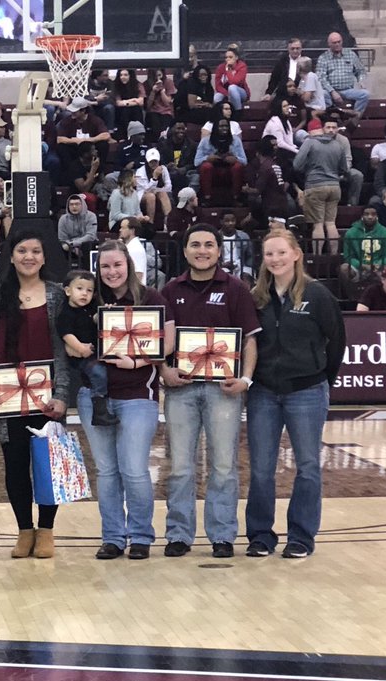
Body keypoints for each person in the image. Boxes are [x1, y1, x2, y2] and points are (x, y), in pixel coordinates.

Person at [158, 224, 260, 559]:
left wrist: (244, 379)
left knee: (224, 466)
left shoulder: (236, 289)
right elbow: (162, 344)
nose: (202, 250)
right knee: (180, 467)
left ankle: (222, 535)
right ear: (185, 251)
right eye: (195, 245)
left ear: (219, 251)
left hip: (223, 389)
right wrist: (164, 372)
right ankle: (179, 534)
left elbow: (249, 339)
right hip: (181, 390)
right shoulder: (171, 290)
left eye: (209, 245)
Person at [246, 228, 345, 559]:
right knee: (261, 467)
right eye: (269, 254)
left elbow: (337, 343)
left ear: (296, 254)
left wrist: (318, 378)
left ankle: (301, 536)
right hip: (262, 392)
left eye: (281, 252)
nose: (275, 259)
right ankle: (260, 534)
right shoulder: (256, 296)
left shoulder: (317, 295)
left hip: (306, 391)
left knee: (307, 465)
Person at [0, 231, 72, 559]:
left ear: (44, 258)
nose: (29, 256)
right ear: (11, 256)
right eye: (21, 250)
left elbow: (62, 349)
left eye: (35, 251)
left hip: (46, 398)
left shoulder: (58, 296)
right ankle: (24, 530)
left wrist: (61, 394)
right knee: (15, 466)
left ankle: (46, 530)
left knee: (47, 466)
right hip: (7, 396)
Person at [81, 239, 172, 560]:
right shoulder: (89, 299)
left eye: (117, 265)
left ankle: (141, 536)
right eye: (105, 266)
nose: (111, 272)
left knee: (133, 469)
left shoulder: (151, 298)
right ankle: (113, 537)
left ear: (129, 266)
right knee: (106, 471)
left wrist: (138, 362)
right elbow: (69, 337)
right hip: (94, 397)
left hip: (138, 394)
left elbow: (168, 341)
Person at [57, 269, 116, 426]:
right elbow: (66, 334)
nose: (84, 294)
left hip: (95, 352)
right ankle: (99, 409)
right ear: (68, 291)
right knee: (98, 373)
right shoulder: (66, 313)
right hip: (82, 356)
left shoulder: (90, 309)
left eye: (89, 290)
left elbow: (96, 319)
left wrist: (105, 312)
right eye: (80, 289)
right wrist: (80, 348)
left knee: (106, 372)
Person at [294, 115, 349, 252]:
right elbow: (344, 169)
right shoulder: (338, 145)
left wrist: (308, 168)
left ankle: (318, 258)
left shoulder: (310, 142)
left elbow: (296, 164)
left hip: (315, 185)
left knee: (318, 224)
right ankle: (334, 256)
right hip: (334, 186)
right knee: (331, 223)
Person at [339, 205, 386, 299]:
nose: (370, 216)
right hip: (359, 267)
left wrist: (378, 264)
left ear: (377, 216)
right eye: (366, 214)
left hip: (379, 267)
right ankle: (352, 298)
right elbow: (348, 256)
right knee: (344, 268)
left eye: (373, 214)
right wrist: (362, 265)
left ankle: (385, 299)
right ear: (361, 216)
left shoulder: (385, 232)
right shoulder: (351, 233)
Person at [317, 32, 370, 122]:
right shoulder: (323, 58)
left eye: (339, 42)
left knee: (365, 94)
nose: (337, 44)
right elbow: (321, 78)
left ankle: (354, 117)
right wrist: (332, 91)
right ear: (329, 44)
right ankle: (331, 115)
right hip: (329, 91)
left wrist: (361, 81)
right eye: (334, 43)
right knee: (322, 94)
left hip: (347, 90)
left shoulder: (351, 55)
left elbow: (360, 71)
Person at [196, 119, 247, 206]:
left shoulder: (236, 140)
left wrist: (235, 159)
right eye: (221, 126)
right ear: (215, 128)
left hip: (229, 171)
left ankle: (236, 198)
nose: (224, 128)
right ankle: (207, 198)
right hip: (213, 172)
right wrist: (207, 158)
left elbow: (244, 161)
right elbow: (196, 161)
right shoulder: (205, 141)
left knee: (238, 166)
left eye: (226, 126)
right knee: (206, 166)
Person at [55, 97, 111, 172]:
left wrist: (87, 140)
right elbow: (60, 139)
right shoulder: (66, 121)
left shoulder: (95, 120)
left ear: (83, 111)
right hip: (74, 148)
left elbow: (106, 135)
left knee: (103, 145)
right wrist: (75, 141)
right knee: (62, 147)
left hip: (91, 148)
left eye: (75, 111)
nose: (72, 113)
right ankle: (70, 173)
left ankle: (100, 171)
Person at [157, 121, 199, 193]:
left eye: (183, 129)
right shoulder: (163, 144)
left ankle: (189, 198)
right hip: (168, 173)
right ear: (172, 129)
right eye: (178, 128)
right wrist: (167, 166)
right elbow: (159, 162)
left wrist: (185, 168)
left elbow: (194, 163)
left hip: (186, 172)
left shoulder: (191, 145)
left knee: (195, 177)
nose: (181, 131)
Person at [57, 194, 98, 265]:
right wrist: (73, 249)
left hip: (86, 244)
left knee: (87, 246)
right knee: (60, 248)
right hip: (69, 247)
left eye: (77, 204)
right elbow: (62, 239)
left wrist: (73, 244)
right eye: (71, 204)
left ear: (82, 205)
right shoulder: (63, 219)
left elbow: (90, 236)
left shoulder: (91, 216)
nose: (74, 207)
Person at [136, 148, 173, 222]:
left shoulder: (163, 169)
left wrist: (157, 190)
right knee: (151, 196)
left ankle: (168, 221)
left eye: (155, 161)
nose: (153, 164)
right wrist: (154, 178)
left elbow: (169, 187)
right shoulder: (140, 171)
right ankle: (150, 222)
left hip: (157, 192)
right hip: (141, 195)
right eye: (151, 162)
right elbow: (145, 190)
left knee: (162, 193)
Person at [219, 213, 255, 283]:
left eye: (233, 220)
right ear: (221, 221)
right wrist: (222, 264)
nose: (230, 223)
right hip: (223, 266)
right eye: (227, 221)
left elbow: (250, 255)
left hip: (242, 265)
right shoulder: (216, 236)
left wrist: (248, 267)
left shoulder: (243, 236)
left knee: (246, 277)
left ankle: (246, 294)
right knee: (226, 277)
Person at [213, 47, 250, 112]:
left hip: (241, 92)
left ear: (236, 58)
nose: (228, 59)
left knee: (232, 88)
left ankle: (238, 112)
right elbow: (218, 86)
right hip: (225, 92)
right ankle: (220, 116)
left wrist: (228, 71)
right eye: (226, 57)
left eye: (230, 57)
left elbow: (235, 82)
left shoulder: (242, 66)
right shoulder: (220, 68)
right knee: (216, 98)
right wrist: (227, 94)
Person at [112, 68, 146, 135]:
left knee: (136, 110)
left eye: (125, 75)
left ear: (130, 76)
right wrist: (134, 100)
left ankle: (138, 134)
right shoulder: (116, 86)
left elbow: (141, 102)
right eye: (121, 75)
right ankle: (124, 136)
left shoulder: (138, 85)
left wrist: (125, 102)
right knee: (125, 111)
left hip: (135, 109)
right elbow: (118, 103)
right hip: (121, 110)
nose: (122, 77)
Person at [145, 67, 176, 138]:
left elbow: (167, 103)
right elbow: (148, 106)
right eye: (155, 76)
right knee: (155, 129)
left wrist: (162, 90)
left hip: (166, 112)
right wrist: (153, 92)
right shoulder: (147, 83)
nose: (158, 78)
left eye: (159, 75)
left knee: (165, 131)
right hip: (153, 111)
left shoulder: (168, 82)